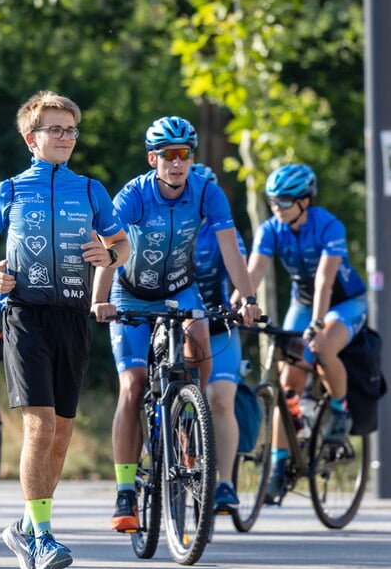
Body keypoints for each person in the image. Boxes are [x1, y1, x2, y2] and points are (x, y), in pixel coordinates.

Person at [0, 90, 129, 569]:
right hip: (25, 315)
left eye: (70, 130)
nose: (65, 137)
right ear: (31, 138)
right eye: (55, 130)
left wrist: (111, 257)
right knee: (39, 426)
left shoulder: (90, 189)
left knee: (61, 431)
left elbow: (120, 242)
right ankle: (41, 537)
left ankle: (25, 524)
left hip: (73, 317)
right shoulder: (12, 190)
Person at [91, 116, 260, 534]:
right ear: (154, 159)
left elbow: (231, 250)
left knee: (200, 333)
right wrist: (99, 299)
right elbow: (108, 246)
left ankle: (191, 415)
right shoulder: (133, 194)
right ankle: (126, 491)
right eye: (168, 155)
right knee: (132, 385)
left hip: (179, 289)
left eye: (184, 154)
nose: (177, 163)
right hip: (130, 291)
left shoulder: (207, 192)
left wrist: (249, 297)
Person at [245, 163, 367, 502]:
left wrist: (315, 324)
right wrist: (239, 303)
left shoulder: (329, 225)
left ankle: (340, 410)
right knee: (287, 384)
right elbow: (252, 273)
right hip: (303, 298)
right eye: (272, 202)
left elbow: (325, 282)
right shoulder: (271, 229)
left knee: (324, 346)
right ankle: (280, 465)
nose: (277, 209)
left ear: (305, 201)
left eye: (284, 202)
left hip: (343, 301)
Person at [189, 162, 247, 513]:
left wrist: (243, 301)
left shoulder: (223, 230)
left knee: (221, 399)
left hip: (218, 325)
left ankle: (224, 482)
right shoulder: (164, 226)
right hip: (176, 323)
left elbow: (240, 268)